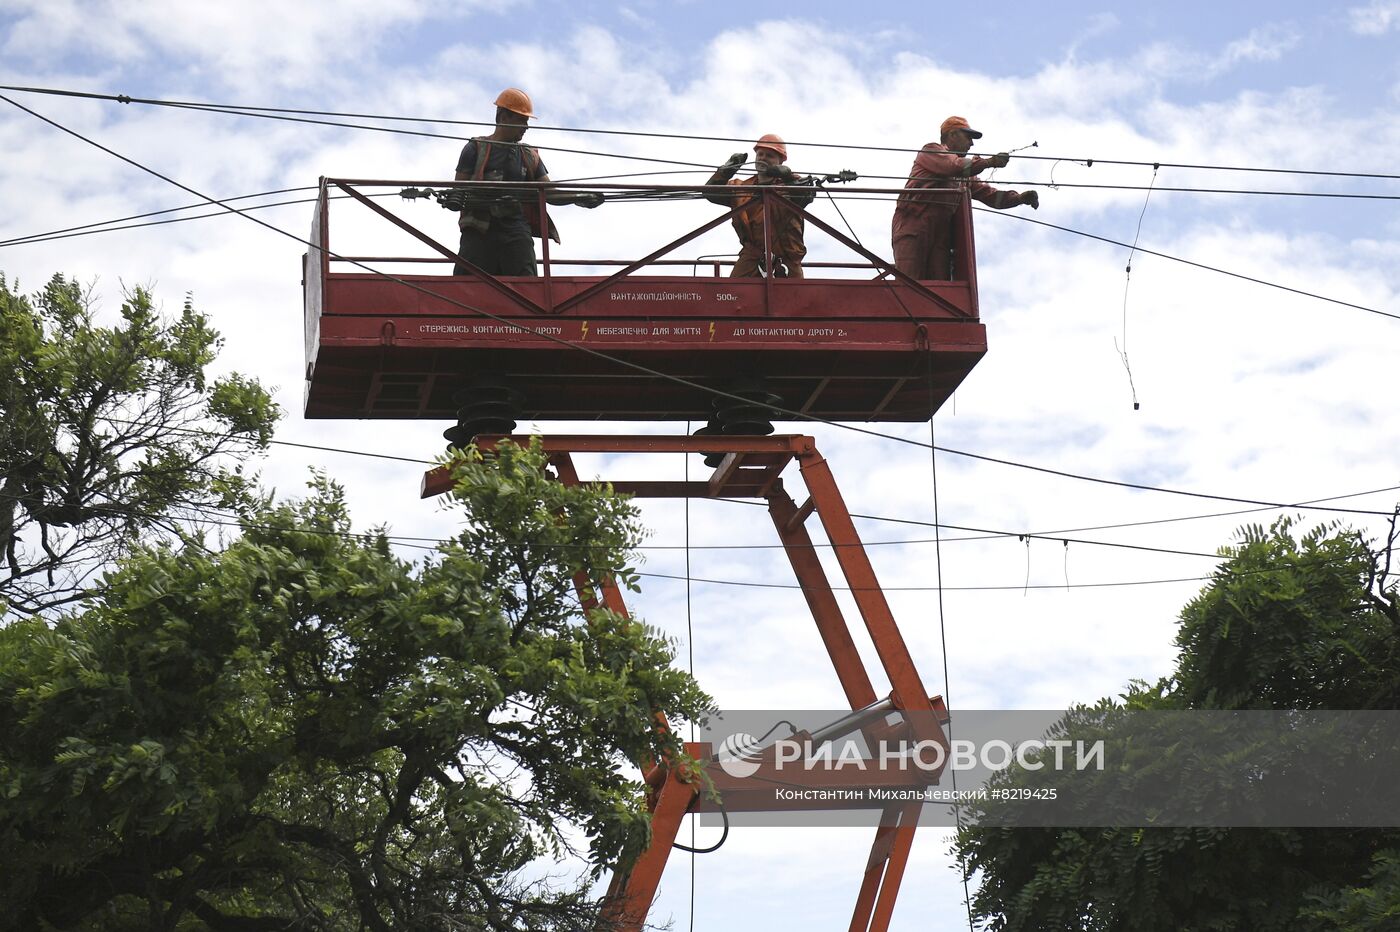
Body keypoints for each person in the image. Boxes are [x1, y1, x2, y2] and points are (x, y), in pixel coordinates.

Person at [449, 87, 602, 276]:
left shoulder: (529, 156)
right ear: (504, 117)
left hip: (515, 233)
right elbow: (458, 190)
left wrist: (579, 197)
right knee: (466, 289)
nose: (526, 127)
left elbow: (550, 192)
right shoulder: (475, 149)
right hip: (480, 232)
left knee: (528, 289)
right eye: (522, 120)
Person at [891, 115, 1040, 281]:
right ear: (953, 135)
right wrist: (989, 162)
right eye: (968, 137)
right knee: (909, 284)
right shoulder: (932, 151)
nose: (972, 143)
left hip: (940, 235)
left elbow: (990, 195)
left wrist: (1019, 198)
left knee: (941, 289)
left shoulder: (964, 177)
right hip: (914, 227)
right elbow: (953, 166)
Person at [704, 134, 816, 278]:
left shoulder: (792, 186)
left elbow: (806, 196)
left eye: (769, 155)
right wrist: (726, 171)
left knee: (794, 299)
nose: (763, 158)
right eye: (760, 154)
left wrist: (788, 177)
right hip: (751, 260)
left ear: (780, 161)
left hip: (787, 263)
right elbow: (710, 193)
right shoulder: (740, 188)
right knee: (731, 296)